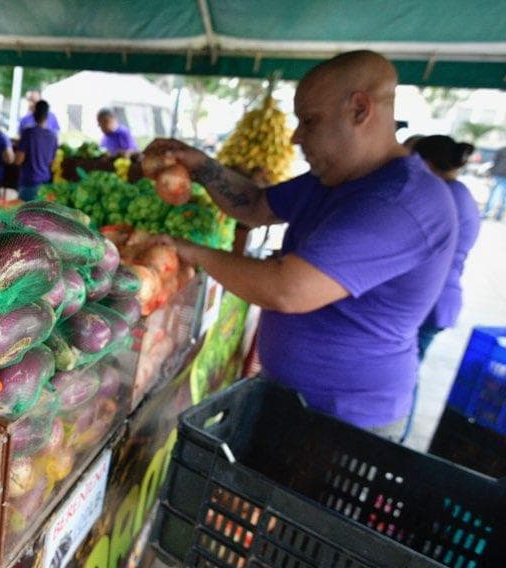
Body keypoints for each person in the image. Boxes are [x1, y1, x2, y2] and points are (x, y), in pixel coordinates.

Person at [144, 50, 457, 440]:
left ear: (360, 110)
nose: (296, 136)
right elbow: (255, 206)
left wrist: (193, 252)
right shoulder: (333, 178)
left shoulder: (402, 202)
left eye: (309, 121)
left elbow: (287, 289)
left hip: (346, 420)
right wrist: (202, 167)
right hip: (287, 396)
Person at [412, 135, 481, 358]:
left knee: (404, 372)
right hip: (440, 297)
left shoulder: (442, 196)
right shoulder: (458, 193)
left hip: (431, 299)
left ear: (427, 163)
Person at [15, 100, 58, 202]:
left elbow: (18, 160)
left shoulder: (28, 133)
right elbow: (52, 162)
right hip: (45, 184)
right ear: (47, 116)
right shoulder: (53, 137)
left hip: (28, 184)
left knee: (25, 217)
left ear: (34, 114)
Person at [486, 145, 506, 221]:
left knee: (494, 194)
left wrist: (490, 174)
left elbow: (494, 162)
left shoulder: (502, 149)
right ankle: (499, 215)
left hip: (499, 174)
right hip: (500, 174)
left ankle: (488, 212)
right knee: (504, 197)